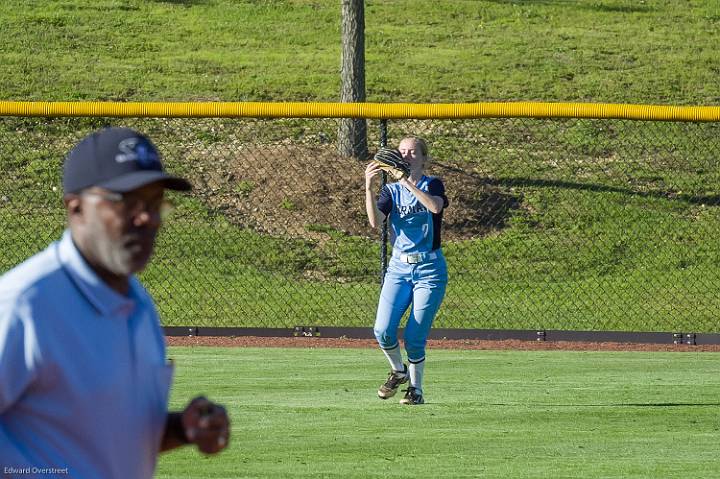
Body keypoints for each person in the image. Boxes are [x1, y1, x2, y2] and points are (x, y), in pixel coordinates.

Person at [0, 127, 230, 478]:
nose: (147, 218)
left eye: (155, 204)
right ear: (75, 207)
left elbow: (105, 436)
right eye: (126, 201)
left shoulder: (138, 304)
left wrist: (180, 430)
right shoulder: (23, 306)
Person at [364, 136, 449, 405]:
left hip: (430, 269)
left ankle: (416, 390)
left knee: (414, 337)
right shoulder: (390, 191)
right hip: (399, 268)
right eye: (402, 151)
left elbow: (434, 206)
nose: (407, 155)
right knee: (382, 330)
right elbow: (376, 223)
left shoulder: (431, 183)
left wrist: (406, 181)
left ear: (424, 158)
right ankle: (398, 371)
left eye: (413, 152)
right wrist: (369, 188)